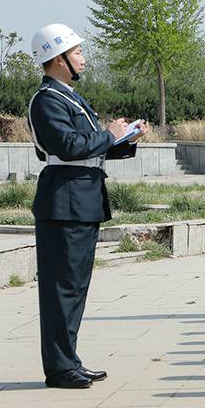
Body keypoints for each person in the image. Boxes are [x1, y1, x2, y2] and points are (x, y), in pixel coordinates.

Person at [28, 23, 147, 389]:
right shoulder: (47, 100)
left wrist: (124, 138)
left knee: (75, 286)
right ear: (58, 59)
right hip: (64, 200)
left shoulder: (70, 98)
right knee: (62, 288)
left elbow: (90, 145)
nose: (82, 58)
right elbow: (68, 145)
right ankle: (60, 368)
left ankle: (69, 361)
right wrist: (108, 134)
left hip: (82, 198)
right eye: (77, 52)